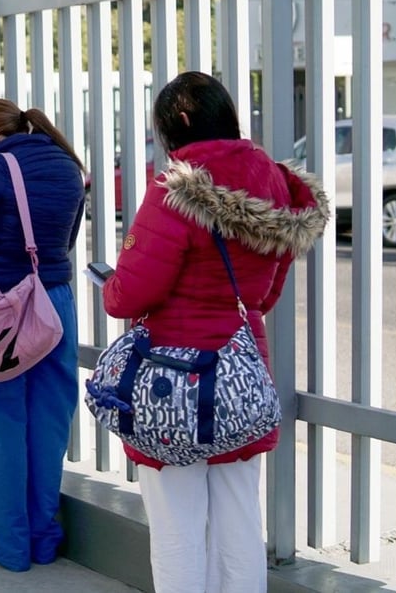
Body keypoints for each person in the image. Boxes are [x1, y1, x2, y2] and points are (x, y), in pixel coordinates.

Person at [101, 71, 328, 593]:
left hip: (171, 385)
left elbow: (129, 296)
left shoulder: (176, 190)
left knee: (178, 527)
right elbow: (264, 296)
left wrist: (111, 286)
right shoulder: (275, 181)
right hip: (241, 380)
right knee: (240, 522)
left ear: (180, 121)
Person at [0, 98, 85, 571]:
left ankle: (10, 548)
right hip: (55, 303)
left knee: (4, 426)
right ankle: (45, 540)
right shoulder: (69, 164)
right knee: (50, 424)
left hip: (2, 307)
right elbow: (64, 242)